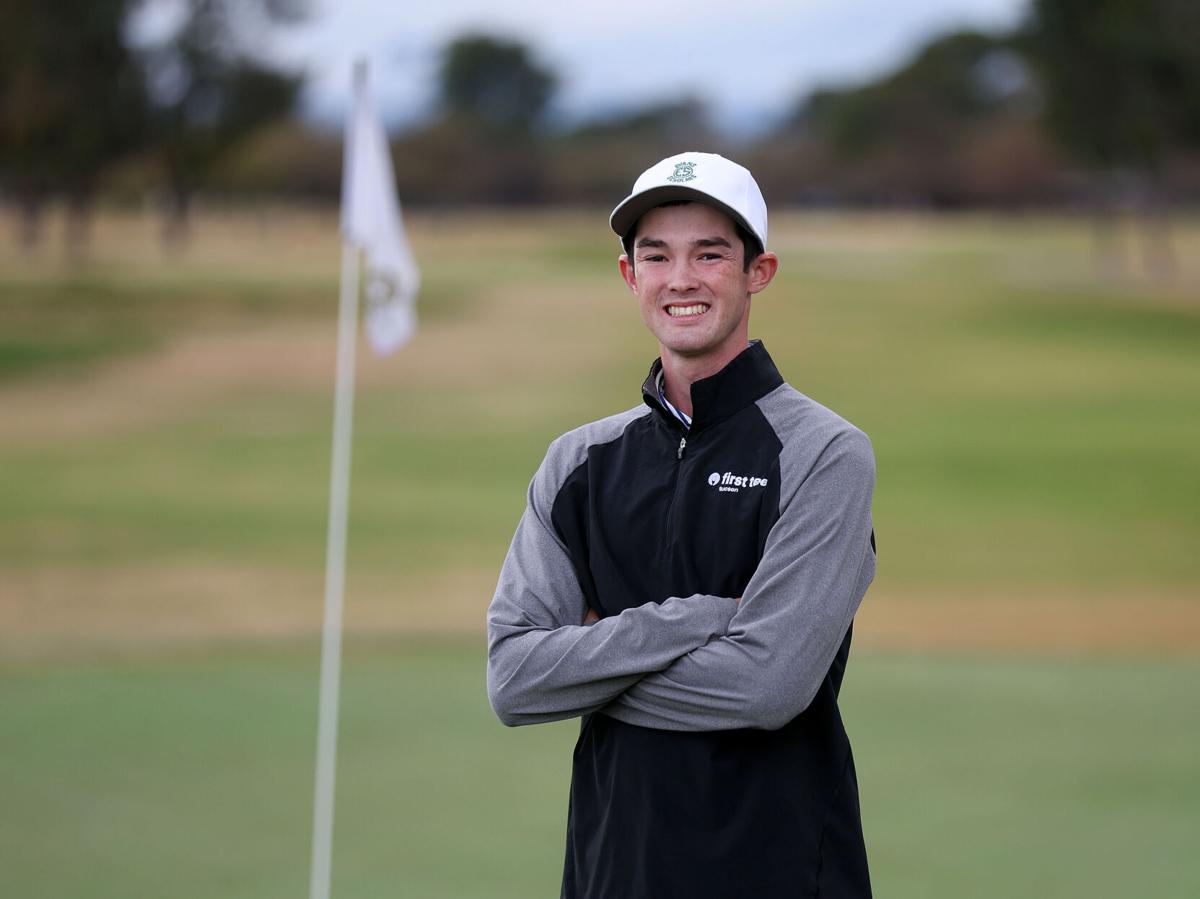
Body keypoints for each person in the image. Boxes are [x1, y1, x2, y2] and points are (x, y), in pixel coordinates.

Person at [486, 151, 877, 898]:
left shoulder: (825, 452)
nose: (681, 279)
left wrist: (587, 665)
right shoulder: (578, 461)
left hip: (781, 875)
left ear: (758, 271)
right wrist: (698, 619)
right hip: (611, 874)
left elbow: (768, 685)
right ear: (629, 275)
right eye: (656, 255)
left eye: (710, 254)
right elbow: (514, 680)